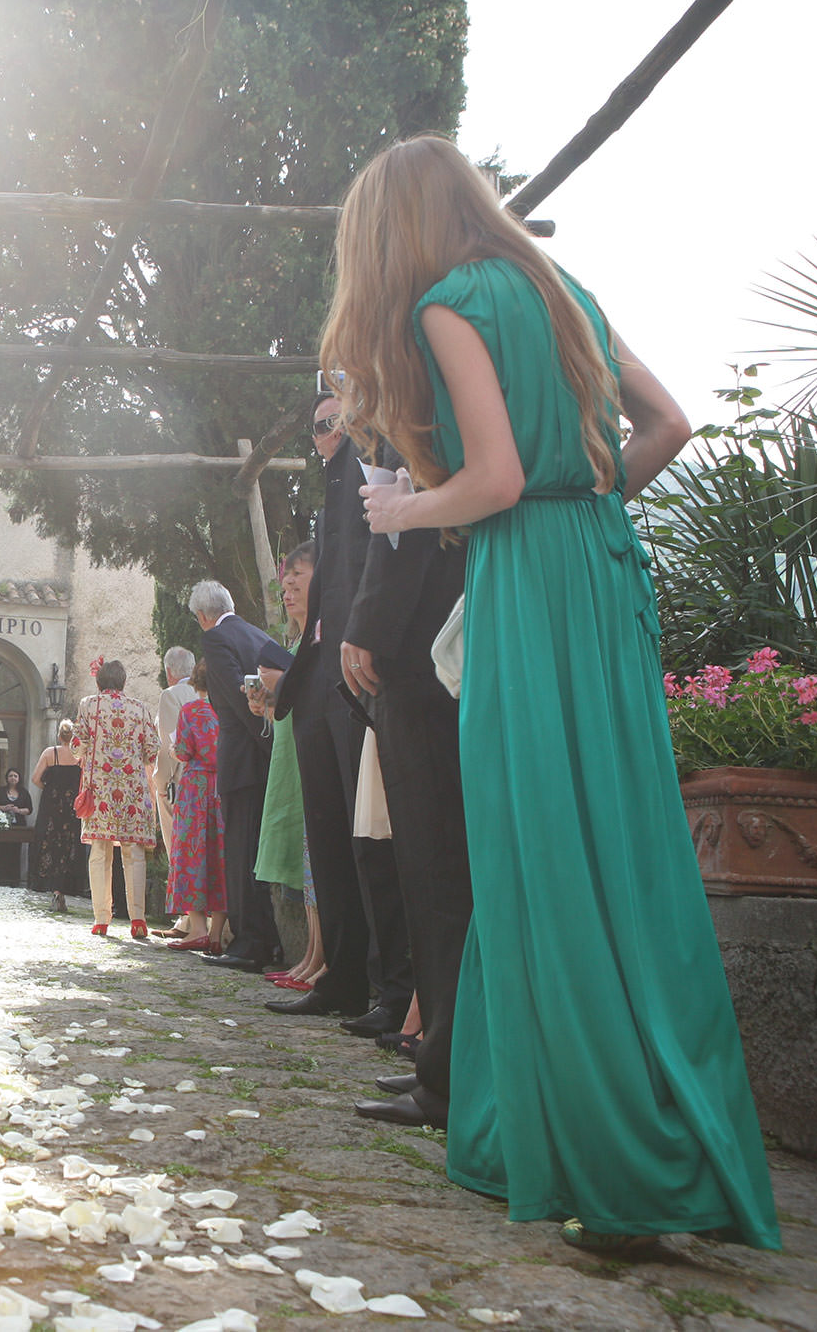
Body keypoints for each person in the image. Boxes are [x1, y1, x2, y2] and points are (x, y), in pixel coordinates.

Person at [337, 134, 778, 1249]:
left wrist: (402, 512)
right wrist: (586, 503)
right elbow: (668, 425)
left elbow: (486, 479)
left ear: (390, 232)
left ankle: (608, 1173)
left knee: (537, 854)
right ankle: (631, 1138)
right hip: (601, 568)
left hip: (530, 583)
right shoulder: (559, 285)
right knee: (623, 853)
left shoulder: (449, 302)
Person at [264, 397, 412, 1036]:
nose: (327, 431)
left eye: (334, 420)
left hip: (359, 662)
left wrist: (367, 635)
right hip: (322, 671)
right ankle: (344, 976)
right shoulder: (330, 482)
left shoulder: (374, 452)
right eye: (319, 424)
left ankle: (390, 986)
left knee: (368, 834)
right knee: (328, 832)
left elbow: (375, 559)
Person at [343, 433, 469, 1127]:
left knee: (437, 863)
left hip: (427, 641)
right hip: (433, 633)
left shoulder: (426, 372)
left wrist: (367, 623)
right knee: (430, 867)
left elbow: (403, 524)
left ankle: (449, 1066)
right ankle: (442, 1052)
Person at [189, 581, 293, 970]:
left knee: (239, 852)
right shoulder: (259, 636)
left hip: (241, 759)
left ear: (203, 616)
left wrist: (265, 744)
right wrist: (275, 748)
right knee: (256, 853)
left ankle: (250, 943)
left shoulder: (216, 638)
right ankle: (268, 940)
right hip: (265, 758)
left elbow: (237, 698)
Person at [254, 543, 324, 992]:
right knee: (306, 858)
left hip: (310, 758)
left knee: (317, 856)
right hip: (290, 756)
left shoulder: (319, 637)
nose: (289, 587)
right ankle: (311, 956)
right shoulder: (296, 641)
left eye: (299, 575)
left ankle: (321, 959)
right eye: (285, 580)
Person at [72, 659, 159, 939]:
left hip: (100, 791)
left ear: (99, 682)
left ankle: (101, 919)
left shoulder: (89, 705)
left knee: (100, 853)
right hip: (133, 791)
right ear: (123, 682)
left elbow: (76, 745)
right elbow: (152, 749)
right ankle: (138, 919)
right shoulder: (140, 708)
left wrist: (86, 754)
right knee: (133, 854)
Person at [163, 662, 224, 952]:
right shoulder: (229, 710)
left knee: (193, 853)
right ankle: (218, 934)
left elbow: (185, 751)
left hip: (196, 788)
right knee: (220, 853)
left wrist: (175, 750)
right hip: (223, 786)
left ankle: (197, 928)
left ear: (196, 684)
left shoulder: (190, 710)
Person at [153, 646, 199, 924]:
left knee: (178, 849)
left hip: (179, 781)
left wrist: (160, 783)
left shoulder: (171, 696)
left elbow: (169, 746)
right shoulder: (206, 693)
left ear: (170, 672)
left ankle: (188, 918)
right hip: (209, 779)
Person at [28, 721, 88, 906]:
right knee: (70, 843)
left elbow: (35, 778)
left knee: (49, 841)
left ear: (59, 736)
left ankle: (48, 883)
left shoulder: (49, 753)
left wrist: (49, 789)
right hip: (73, 806)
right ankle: (67, 885)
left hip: (51, 805)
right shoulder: (81, 756)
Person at [0, 768, 33, 886]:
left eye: (15, 776)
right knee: (2, 851)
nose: (13, 778)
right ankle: (0, 880)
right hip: (2, 826)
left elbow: (29, 809)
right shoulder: (1, 791)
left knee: (15, 852)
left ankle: (14, 881)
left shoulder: (24, 792)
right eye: (10, 776)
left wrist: (18, 810)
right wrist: (4, 808)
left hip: (18, 827)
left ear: (19, 778)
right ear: (7, 778)